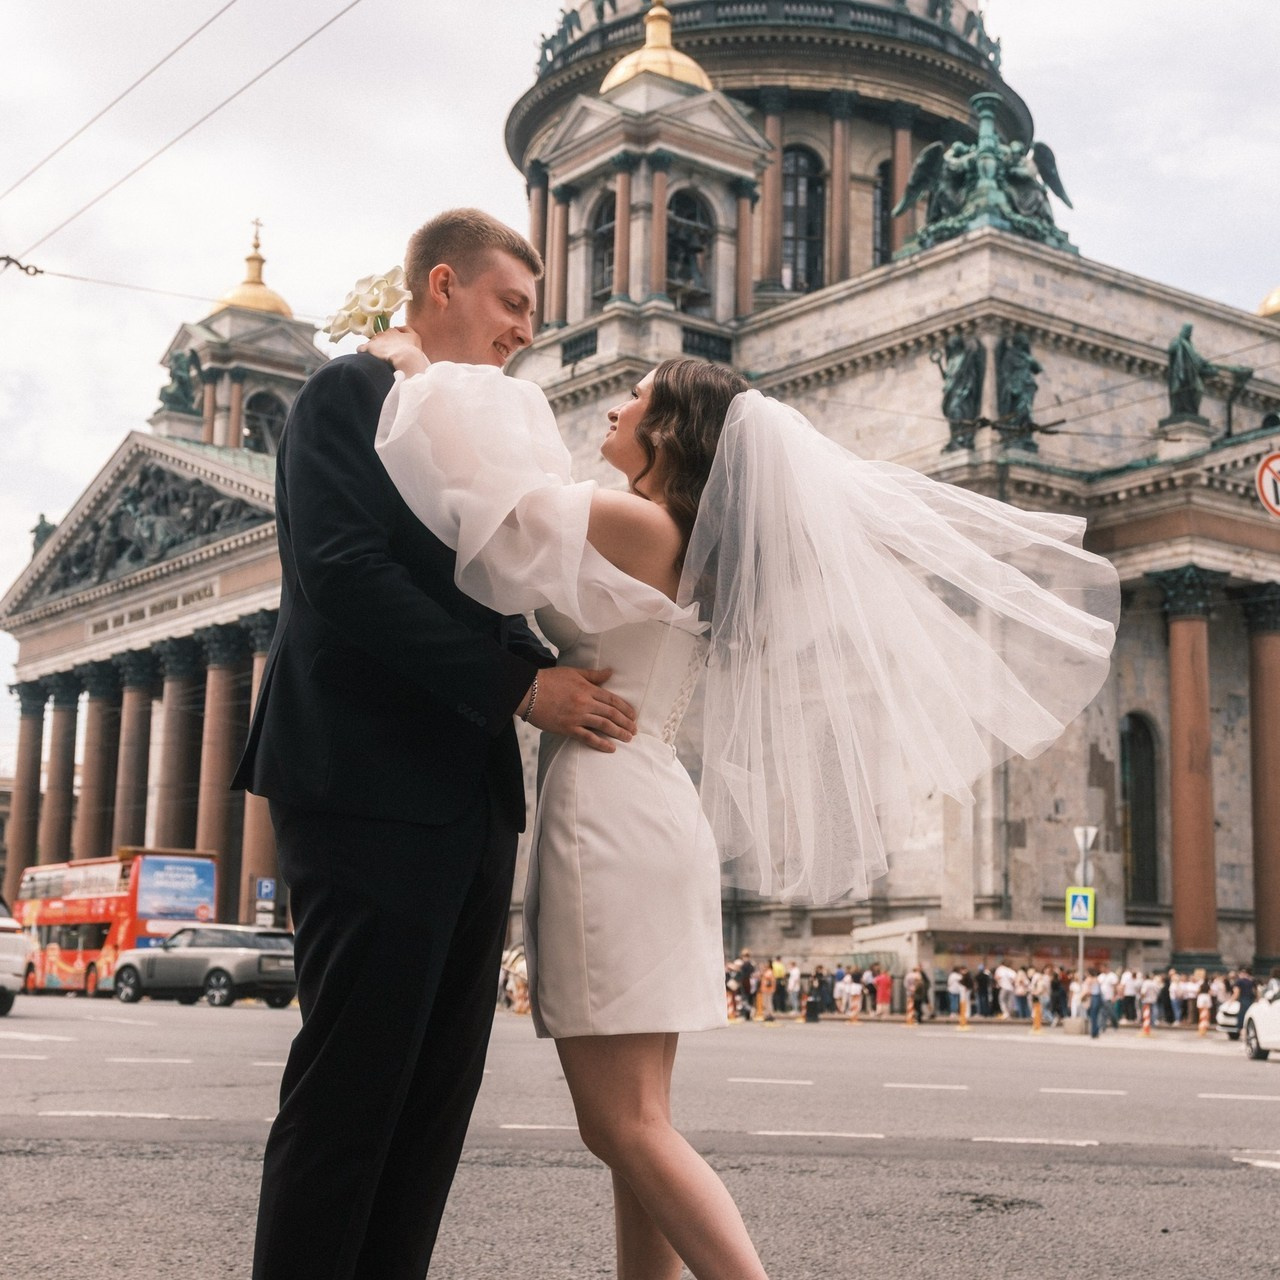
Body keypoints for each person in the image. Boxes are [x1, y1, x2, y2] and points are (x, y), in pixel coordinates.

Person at [368, 333, 1119, 1277]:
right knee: (638, 1131)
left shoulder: (640, 529)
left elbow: (493, 504)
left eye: (634, 396)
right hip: (640, 807)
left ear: (673, 429)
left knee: (624, 1127)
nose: (613, 407)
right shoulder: (672, 538)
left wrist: (421, 374)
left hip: (608, 816)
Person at [233, 209, 642, 1280]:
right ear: (443, 284)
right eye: (511, 304)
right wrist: (521, 685)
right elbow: (343, 573)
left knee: (433, 1098)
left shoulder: (490, 421)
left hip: (466, 797)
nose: (523, 331)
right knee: (352, 1088)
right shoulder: (348, 393)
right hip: (362, 783)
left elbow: (501, 588)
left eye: (532, 315)